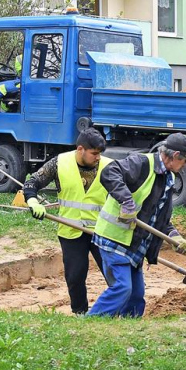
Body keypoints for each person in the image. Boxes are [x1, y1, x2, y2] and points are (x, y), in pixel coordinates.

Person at [87, 133, 186, 318]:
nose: (185, 164)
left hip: (135, 244)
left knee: (137, 295)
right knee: (123, 287)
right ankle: (93, 320)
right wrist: (126, 201)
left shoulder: (167, 178)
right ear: (176, 155)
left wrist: (174, 236)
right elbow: (109, 172)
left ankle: (131, 326)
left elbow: (157, 217)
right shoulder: (142, 163)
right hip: (114, 239)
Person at [23, 128, 110, 314]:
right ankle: (80, 313)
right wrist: (32, 200)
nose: (98, 158)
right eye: (94, 153)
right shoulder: (59, 163)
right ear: (81, 149)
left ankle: (120, 310)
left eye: (100, 154)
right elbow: (33, 182)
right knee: (75, 275)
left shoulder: (110, 167)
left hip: (102, 231)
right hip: (72, 231)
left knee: (113, 274)